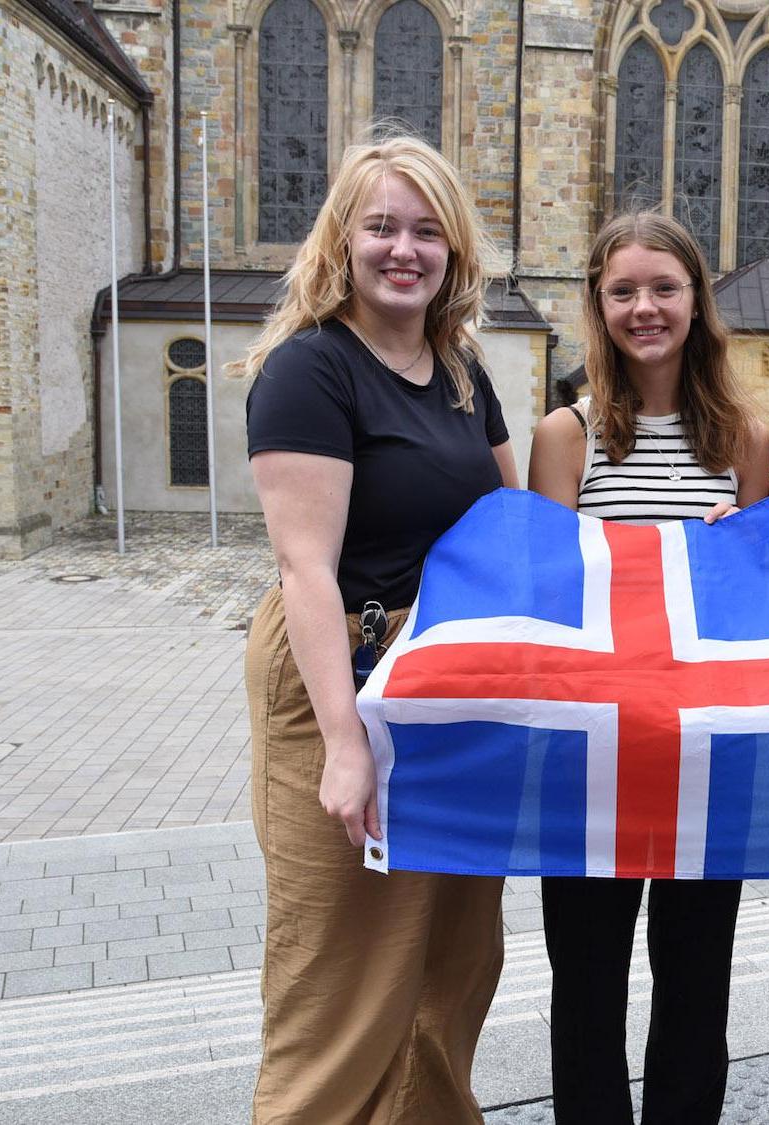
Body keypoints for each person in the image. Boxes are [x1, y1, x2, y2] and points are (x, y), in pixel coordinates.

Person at [240, 134, 516, 1124]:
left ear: (453, 248)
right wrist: (346, 746)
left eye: (426, 230)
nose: (405, 248)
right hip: (343, 675)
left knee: (451, 960)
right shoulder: (311, 371)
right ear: (342, 240)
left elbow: (509, 528)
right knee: (343, 968)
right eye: (382, 227)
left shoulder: (458, 369)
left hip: (447, 686)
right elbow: (304, 568)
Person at [527, 211, 769, 1124]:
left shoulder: (742, 437)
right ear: (599, 303)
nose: (645, 307)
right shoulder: (568, 435)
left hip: (709, 750)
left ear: (697, 301)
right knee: (586, 985)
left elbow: (756, 601)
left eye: (664, 287)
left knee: (697, 980)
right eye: (623, 289)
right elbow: (552, 598)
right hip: (592, 753)